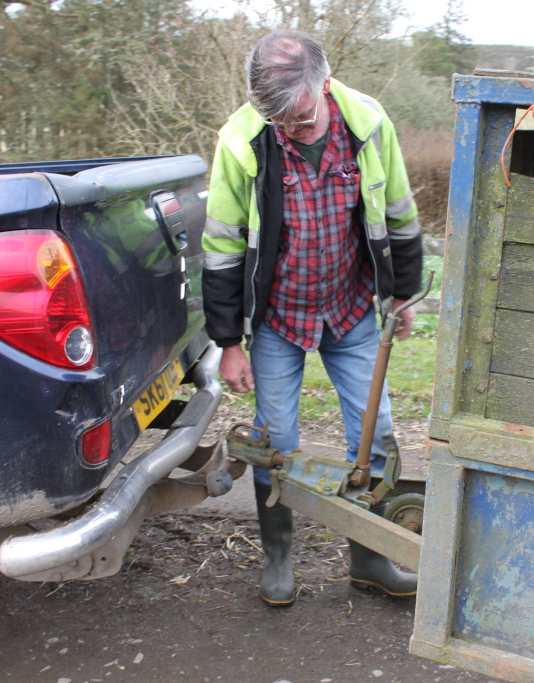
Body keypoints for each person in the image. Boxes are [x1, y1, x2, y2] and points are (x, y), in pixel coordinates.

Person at [201, 30, 423, 607]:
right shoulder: (242, 142)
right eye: (276, 120)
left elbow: (398, 213)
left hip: (351, 309)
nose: (288, 131)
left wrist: (399, 296)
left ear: (325, 86)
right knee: (277, 441)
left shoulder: (369, 125)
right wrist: (229, 341)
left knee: (375, 436)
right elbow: (222, 246)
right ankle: (277, 556)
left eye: (298, 118)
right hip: (277, 317)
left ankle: (370, 558)